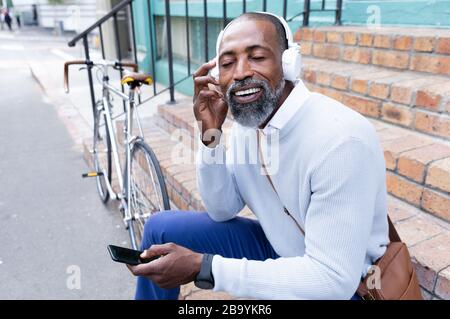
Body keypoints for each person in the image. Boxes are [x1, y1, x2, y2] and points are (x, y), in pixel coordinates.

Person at [127, 12, 389, 300]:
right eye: (227, 63)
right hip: (279, 249)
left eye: (257, 57)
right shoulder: (247, 127)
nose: (240, 73)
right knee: (160, 229)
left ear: (289, 63)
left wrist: (206, 268)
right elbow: (221, 209)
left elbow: (332, 280)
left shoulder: (341, 139)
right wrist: (210, 136)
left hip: (345, 285)